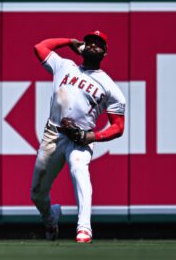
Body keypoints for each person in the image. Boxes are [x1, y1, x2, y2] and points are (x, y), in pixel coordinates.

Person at [30, 30, 126, 243]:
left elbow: (118, 127)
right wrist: (69, 42)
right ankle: (50, 219)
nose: (93, 45)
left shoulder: (110, 88)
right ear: (83, 47)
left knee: (78, 168)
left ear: (105, 53)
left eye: (99, 44)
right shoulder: (65, 66)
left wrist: (92, 136)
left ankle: (84, 228)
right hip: (53, 135)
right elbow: (40, 47)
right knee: (37, 193)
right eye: (90, 42)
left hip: (79, 139)